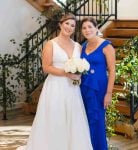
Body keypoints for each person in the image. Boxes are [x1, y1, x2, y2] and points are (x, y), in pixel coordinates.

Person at [17, 13, 93, 150]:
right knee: (55, 118)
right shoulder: (50, 44)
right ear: (60, 24)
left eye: (72, 26)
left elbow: (80, 66)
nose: (69, 27)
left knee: (73, 119)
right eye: (67, 24)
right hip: (55, 86)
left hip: (72, 89)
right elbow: (46, 67)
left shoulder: (78, 46)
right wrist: (66, 73)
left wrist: (78, 75)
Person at [80, 17, 116, 150]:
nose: (87, 30)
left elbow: (112, 71)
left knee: (97, 121)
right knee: (85, 121)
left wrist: (109, 93)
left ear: (96, 28)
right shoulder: (83, 47)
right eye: (84, 28)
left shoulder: (107, 46)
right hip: (83, 87)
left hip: (99, 89)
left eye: (90, 27)